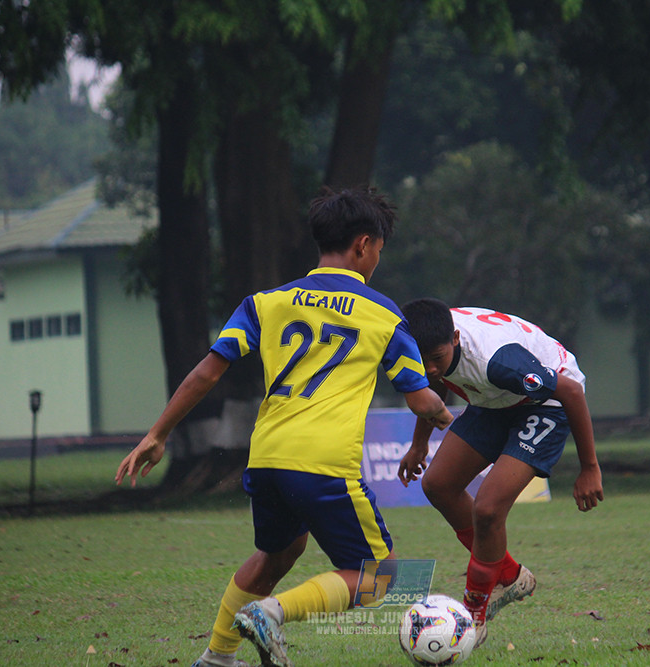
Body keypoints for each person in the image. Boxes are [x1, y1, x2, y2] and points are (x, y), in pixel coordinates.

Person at [115, 188, 453, 667]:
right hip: (324, 462)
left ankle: (216, 657)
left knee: (279, 553)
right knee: (382, 578)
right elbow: (420, 398)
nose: (377, 257)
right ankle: (271, 613)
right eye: (379, 248)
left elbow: (207, 371)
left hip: (268, 457)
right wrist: (446, 415)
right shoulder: (384, 314)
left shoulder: (265, 303)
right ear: (362, 245)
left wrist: (158, 433)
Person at [396, 299, 604, 645]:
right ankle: (509, 574)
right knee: (438, 485)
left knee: (488, 509)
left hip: (545, 403)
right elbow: (435, 383)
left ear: (457, 339)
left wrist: (590, 468)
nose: (430, 368)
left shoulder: (498, 362)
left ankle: (473, 616)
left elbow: (570, 391)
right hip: (495, 399)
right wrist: (419, 444)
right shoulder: (429, 339)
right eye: (423, 360)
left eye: (437, 358)